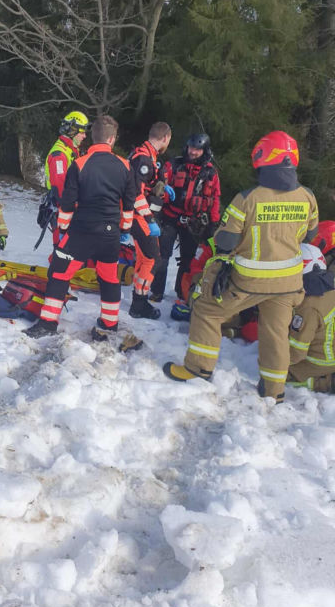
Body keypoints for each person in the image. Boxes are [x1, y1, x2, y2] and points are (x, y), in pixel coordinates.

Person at [163, 130, 319, 402]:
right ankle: (274, 390)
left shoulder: (248, 198)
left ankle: (198, 368)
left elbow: (224, 240)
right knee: (276, 333)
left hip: (249, 281)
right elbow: (310, 235)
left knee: (206, 309)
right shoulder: (307, 197)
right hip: (289, 284)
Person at [24, 115, 136, 340]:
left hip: (82, 231)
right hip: (110, 234)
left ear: (93, 138)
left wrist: (64, 228)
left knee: (58, 272)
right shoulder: (125, 165)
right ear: (112, 139)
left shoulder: (80, 163)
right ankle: (109, 322)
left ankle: (47, 323)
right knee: (109, 277)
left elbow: (67, 201)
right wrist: (123, 229)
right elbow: (130, 202)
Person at [150, 133, 221, 305]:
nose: (193, 152)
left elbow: (215, 198)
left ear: (204, 151)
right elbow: (158, 185)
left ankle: (182, 293)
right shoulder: (174, 165)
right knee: (162, 256)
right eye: (191, 148)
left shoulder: (210, 173)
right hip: (170, 217)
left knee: (187, 260)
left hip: (192, 222)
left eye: (197, 149)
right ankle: (156, 292)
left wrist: (213, 225)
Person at [126, 122, 172, 319]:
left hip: (140, 216)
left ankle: (138, 298)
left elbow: (145, 186)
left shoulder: (147, 155)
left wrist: (160, 189)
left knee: (145, 258)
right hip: (140, 217)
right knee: (153, 259)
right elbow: (135, 193)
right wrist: (149, 219)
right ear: (164, 138)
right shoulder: (144, 158)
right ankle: (140, 302)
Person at [287, 244, 335, 393]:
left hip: (319, 362)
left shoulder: (308, 307)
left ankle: (324, 382)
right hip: (329, 353)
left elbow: (297, 352)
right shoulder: (331, 289)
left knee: (278, 377)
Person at [42, 111, 90, 246]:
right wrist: (74, 207)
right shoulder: (60, 154)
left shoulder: (71, 150)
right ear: (72, 131)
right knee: (62, 248)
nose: (84, 136)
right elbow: (60, 188)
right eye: (82, 132)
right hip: (62, 209)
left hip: (68, 208)